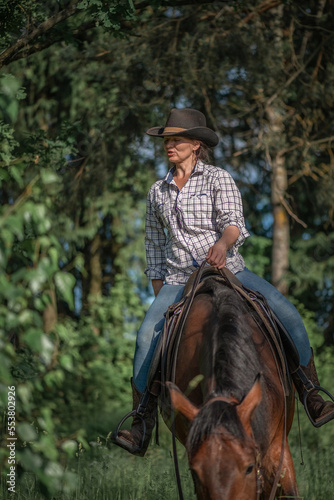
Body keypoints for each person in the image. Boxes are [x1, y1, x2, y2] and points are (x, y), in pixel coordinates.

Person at [112, 108, 334, 456]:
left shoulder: (218, 178)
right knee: (145, 336)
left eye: (177, 139)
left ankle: (311, 392)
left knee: (286, 312)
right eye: (167, 140)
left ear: (196, 144)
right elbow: (154, 246)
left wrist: (222, 244)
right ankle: (141, 420)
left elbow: (234, 223)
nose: (169, 145)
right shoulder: (157, 191)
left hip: (228, 267)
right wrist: (161, 296)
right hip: (177, 277)